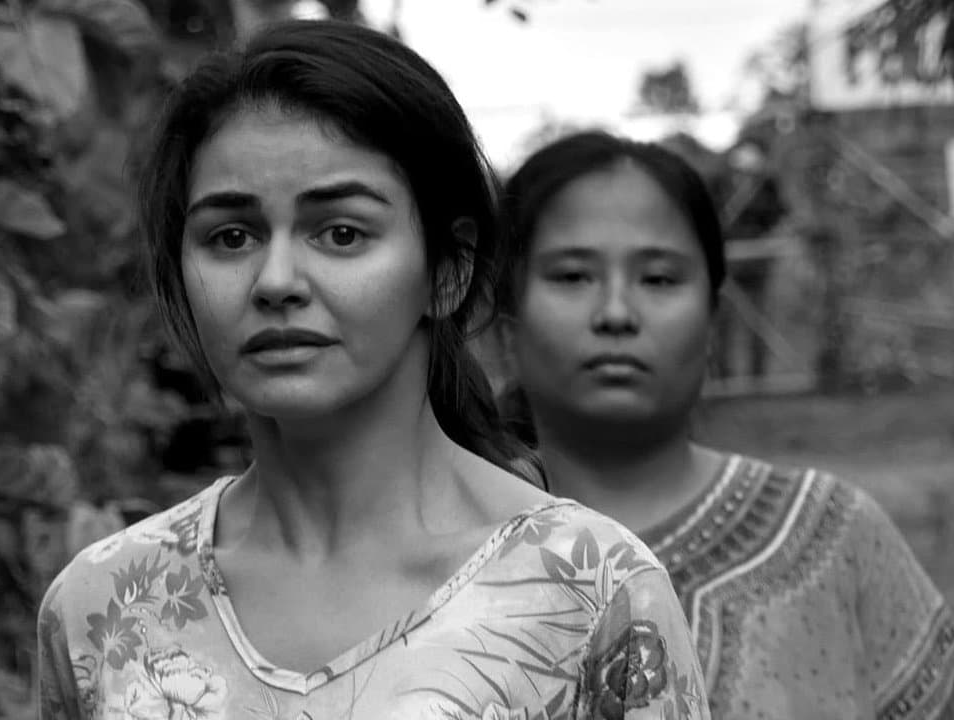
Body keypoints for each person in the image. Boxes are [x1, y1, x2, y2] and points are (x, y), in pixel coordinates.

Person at [36, 23, 708, 720]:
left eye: (342, 233)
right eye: (230, 237)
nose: (276, 280)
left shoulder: (592, 591)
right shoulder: (103, 608)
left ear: (448, 271)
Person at [495, 130, 954, 719]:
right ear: (507, 322)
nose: (616, 313)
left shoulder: (831, 534)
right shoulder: (450, 558)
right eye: (572, 276)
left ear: (712, 320)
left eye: (658, 278)